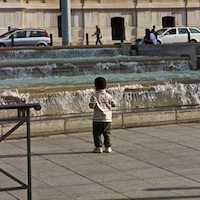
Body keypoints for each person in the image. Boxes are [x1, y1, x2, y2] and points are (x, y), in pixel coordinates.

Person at [89, 77, 116, 153]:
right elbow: (114, 103)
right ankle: (108, 147)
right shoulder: (109, 96)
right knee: (107, 133)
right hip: (107, 119)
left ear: (95, 87)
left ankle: (98, 147)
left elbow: (92, 105)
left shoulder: (94, 96)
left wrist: (91, 105)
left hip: (97, 119)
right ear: (105, 86)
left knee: (97, 133)